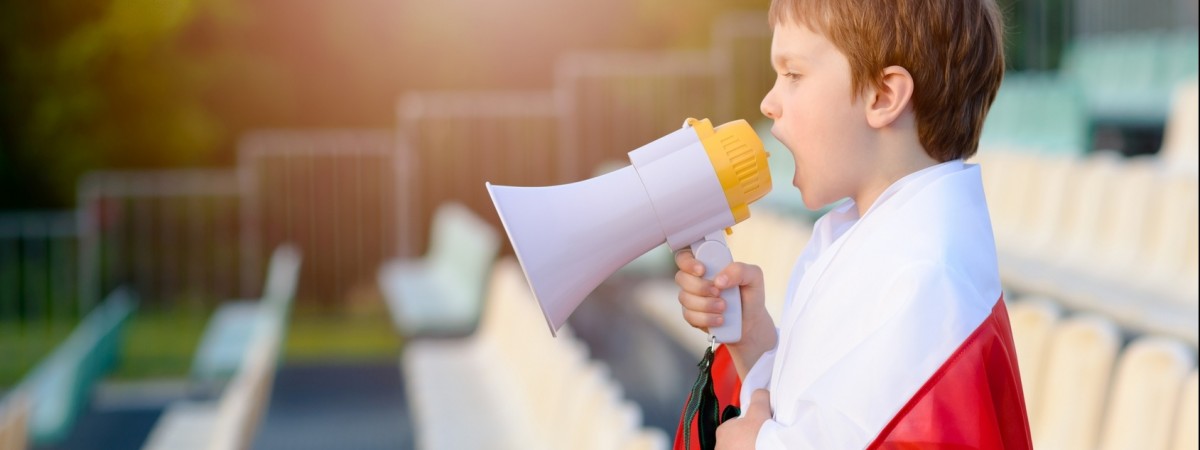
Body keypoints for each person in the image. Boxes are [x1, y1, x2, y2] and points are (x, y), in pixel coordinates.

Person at [672, 0, 1032, 448]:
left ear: (883, 96)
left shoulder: (927, 282)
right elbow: (827, 421)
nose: (769, 102)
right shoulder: (867, 238)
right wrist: (753, 339)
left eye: (793, 74)